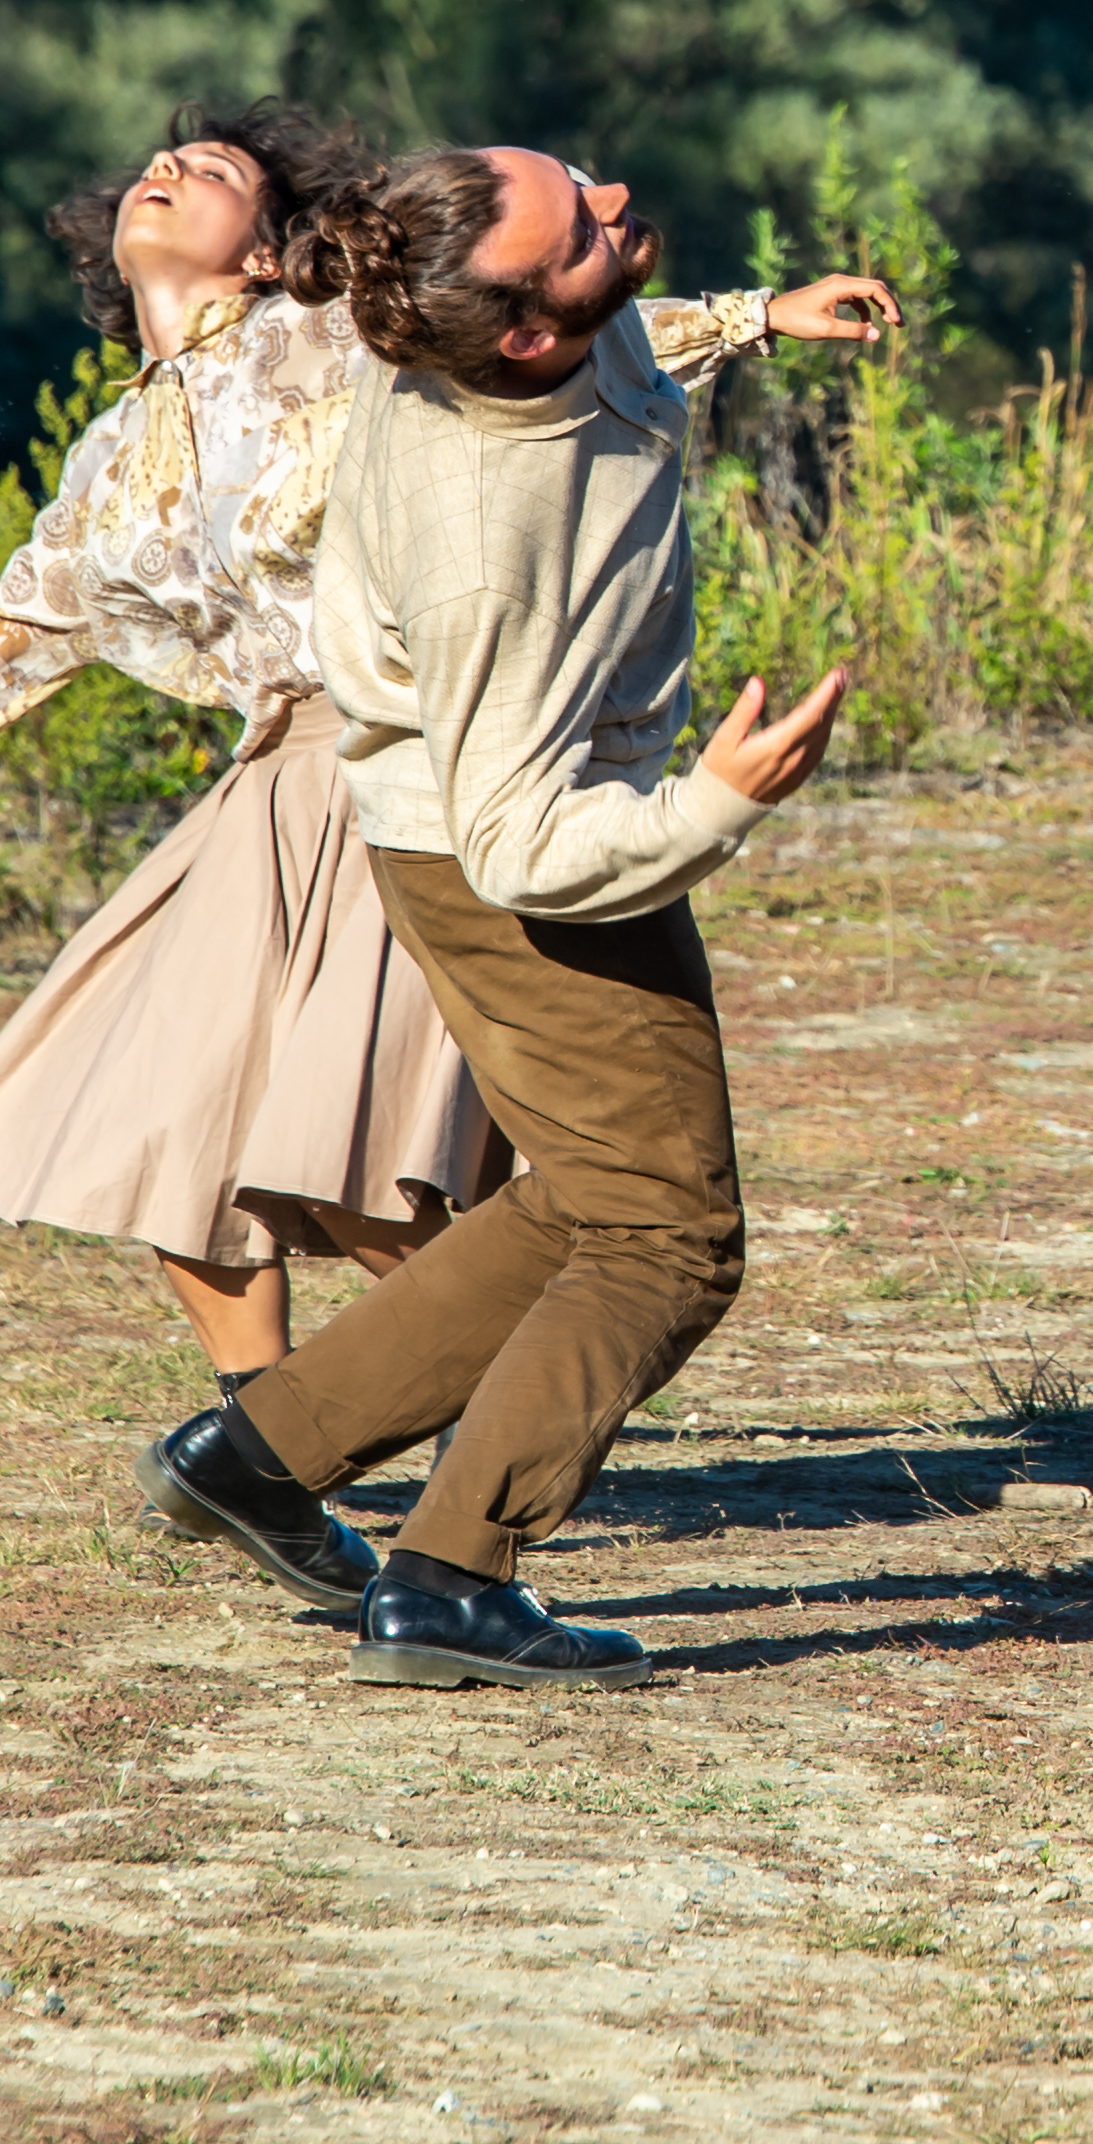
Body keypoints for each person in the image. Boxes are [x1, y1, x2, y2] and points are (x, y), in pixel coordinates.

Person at [0, 109, 884, 1471]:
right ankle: (263, 1462)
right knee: (171, 1134)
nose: (169, 173)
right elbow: (0, 647)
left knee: (370, 1181)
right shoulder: (107, 470)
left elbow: (546, 322)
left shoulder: (329, 337)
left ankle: (426, 1409)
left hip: (396, 768)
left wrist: (758, 317)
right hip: (264, 799)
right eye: (160, 167)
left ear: (263, 250)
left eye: (219, 174)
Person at [126, 143, 863, 1689]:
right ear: (525, 331)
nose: (610, 192)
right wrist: (718, 802)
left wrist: (758, 315)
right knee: (666, 1236)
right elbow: (521, 840)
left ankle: (263, 1453)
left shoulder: (520, 318)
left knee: (585, 1194)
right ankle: (453, 1576)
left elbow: (622, 305)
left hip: (495, 831)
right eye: (580, 212)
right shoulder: (486, 531)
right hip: (516, 870)